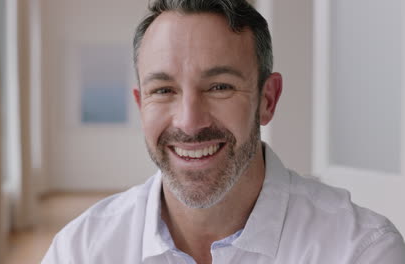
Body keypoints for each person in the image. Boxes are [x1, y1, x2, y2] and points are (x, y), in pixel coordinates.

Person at [42, 0, 405, 263]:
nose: (189, 122)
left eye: (219, 87)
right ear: (141, 105)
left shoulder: (360, 251)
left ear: (268, 99)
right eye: (163, 90)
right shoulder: (80, 251)